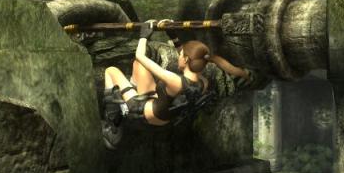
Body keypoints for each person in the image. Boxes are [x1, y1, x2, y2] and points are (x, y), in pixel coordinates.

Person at [101, 20, 248, 148]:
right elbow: (182, 56)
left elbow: (140, 55)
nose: (179, 55)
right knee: (139, 66)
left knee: (111, 71)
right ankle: (129, 91)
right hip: (162, 112)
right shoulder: (203, 81)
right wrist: (172, 34)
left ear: (186, 60)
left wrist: (144, 35)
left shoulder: (175, 81)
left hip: (142, 112)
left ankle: (114, 124)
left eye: (181, 54)